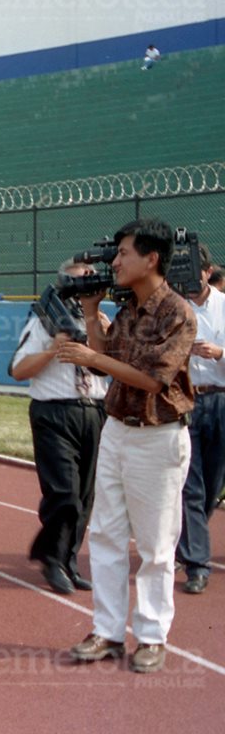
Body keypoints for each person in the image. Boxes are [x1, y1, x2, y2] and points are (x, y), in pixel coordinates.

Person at [59, 218, 195, 674]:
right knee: (104, 534)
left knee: (156, 545)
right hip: (117, 430)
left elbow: (155, 381)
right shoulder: (128, 309)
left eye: (124, 254)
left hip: (158, 437)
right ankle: (108, 631)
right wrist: (93, 314)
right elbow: (106, 366)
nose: (115, 262)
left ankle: (153, 636)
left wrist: (93, 356)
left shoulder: (178, 313)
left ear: (151, 258)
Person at [11, 261, 109, 595]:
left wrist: (95, 325)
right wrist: (55, 348)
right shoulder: (43, 321)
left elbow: (105, 362)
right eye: (83, 279)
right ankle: (51, 559)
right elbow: (18, 369)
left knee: (84, 496)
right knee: (64, 493)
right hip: (54, 412)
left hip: (94, 411)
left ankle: (68, 561)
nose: (89, 285)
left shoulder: (98, 320)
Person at [177, 245, 225, 594]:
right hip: (187, 400)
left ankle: (189, 544)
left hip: (222, 399)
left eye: (194, 271)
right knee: (190, 488)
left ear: (208, 271)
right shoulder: (173, 309)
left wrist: (220, 352)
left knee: (212, 485)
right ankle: (197, 565)